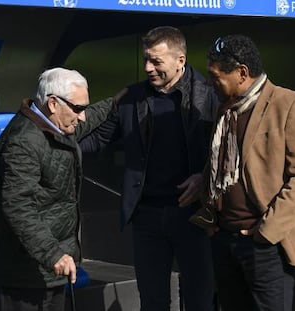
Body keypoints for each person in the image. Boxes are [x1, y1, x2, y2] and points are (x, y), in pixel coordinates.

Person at [80, 26, 218, 311]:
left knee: (199, 299)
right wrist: (52, 147)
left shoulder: (210, 97)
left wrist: (203, 179)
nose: (148, 68)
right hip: (147, 217)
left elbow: (229, 152)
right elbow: (97, 139)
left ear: (180, 60)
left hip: (196, 216)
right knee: (152, 301)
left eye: (156, 61)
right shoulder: (131, 98)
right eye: (145, 59)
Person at [197, 34, 295, 311]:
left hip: (266, 246)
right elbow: (222, 165)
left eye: (215, 75)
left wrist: (265, 232)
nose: (209, 82)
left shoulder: (291, 104)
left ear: (242, 72)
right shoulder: (225, 109)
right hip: (224, 239)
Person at [0, 67, 114, 311]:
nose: (82, 116)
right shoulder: (24, 141)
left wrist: (118, 101)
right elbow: (18, 205)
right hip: (25, 275)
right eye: (77, 109)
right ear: (53, 104)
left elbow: (90, 118)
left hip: (49, 268)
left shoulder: (55, 126)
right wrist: (52, 254)